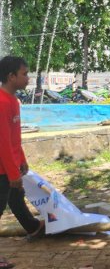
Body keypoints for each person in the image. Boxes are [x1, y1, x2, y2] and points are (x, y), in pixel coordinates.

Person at [1, 56, 45, 269]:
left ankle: (33, 227)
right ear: (11, 77)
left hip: (11, 165)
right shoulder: (1, 102)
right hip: (2, 169)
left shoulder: (13, 101)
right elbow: (2, 143)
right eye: (24, 74)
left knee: (17, 198)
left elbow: (13, 138)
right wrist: (12, 174)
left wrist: (22, 160)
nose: (28, 78)